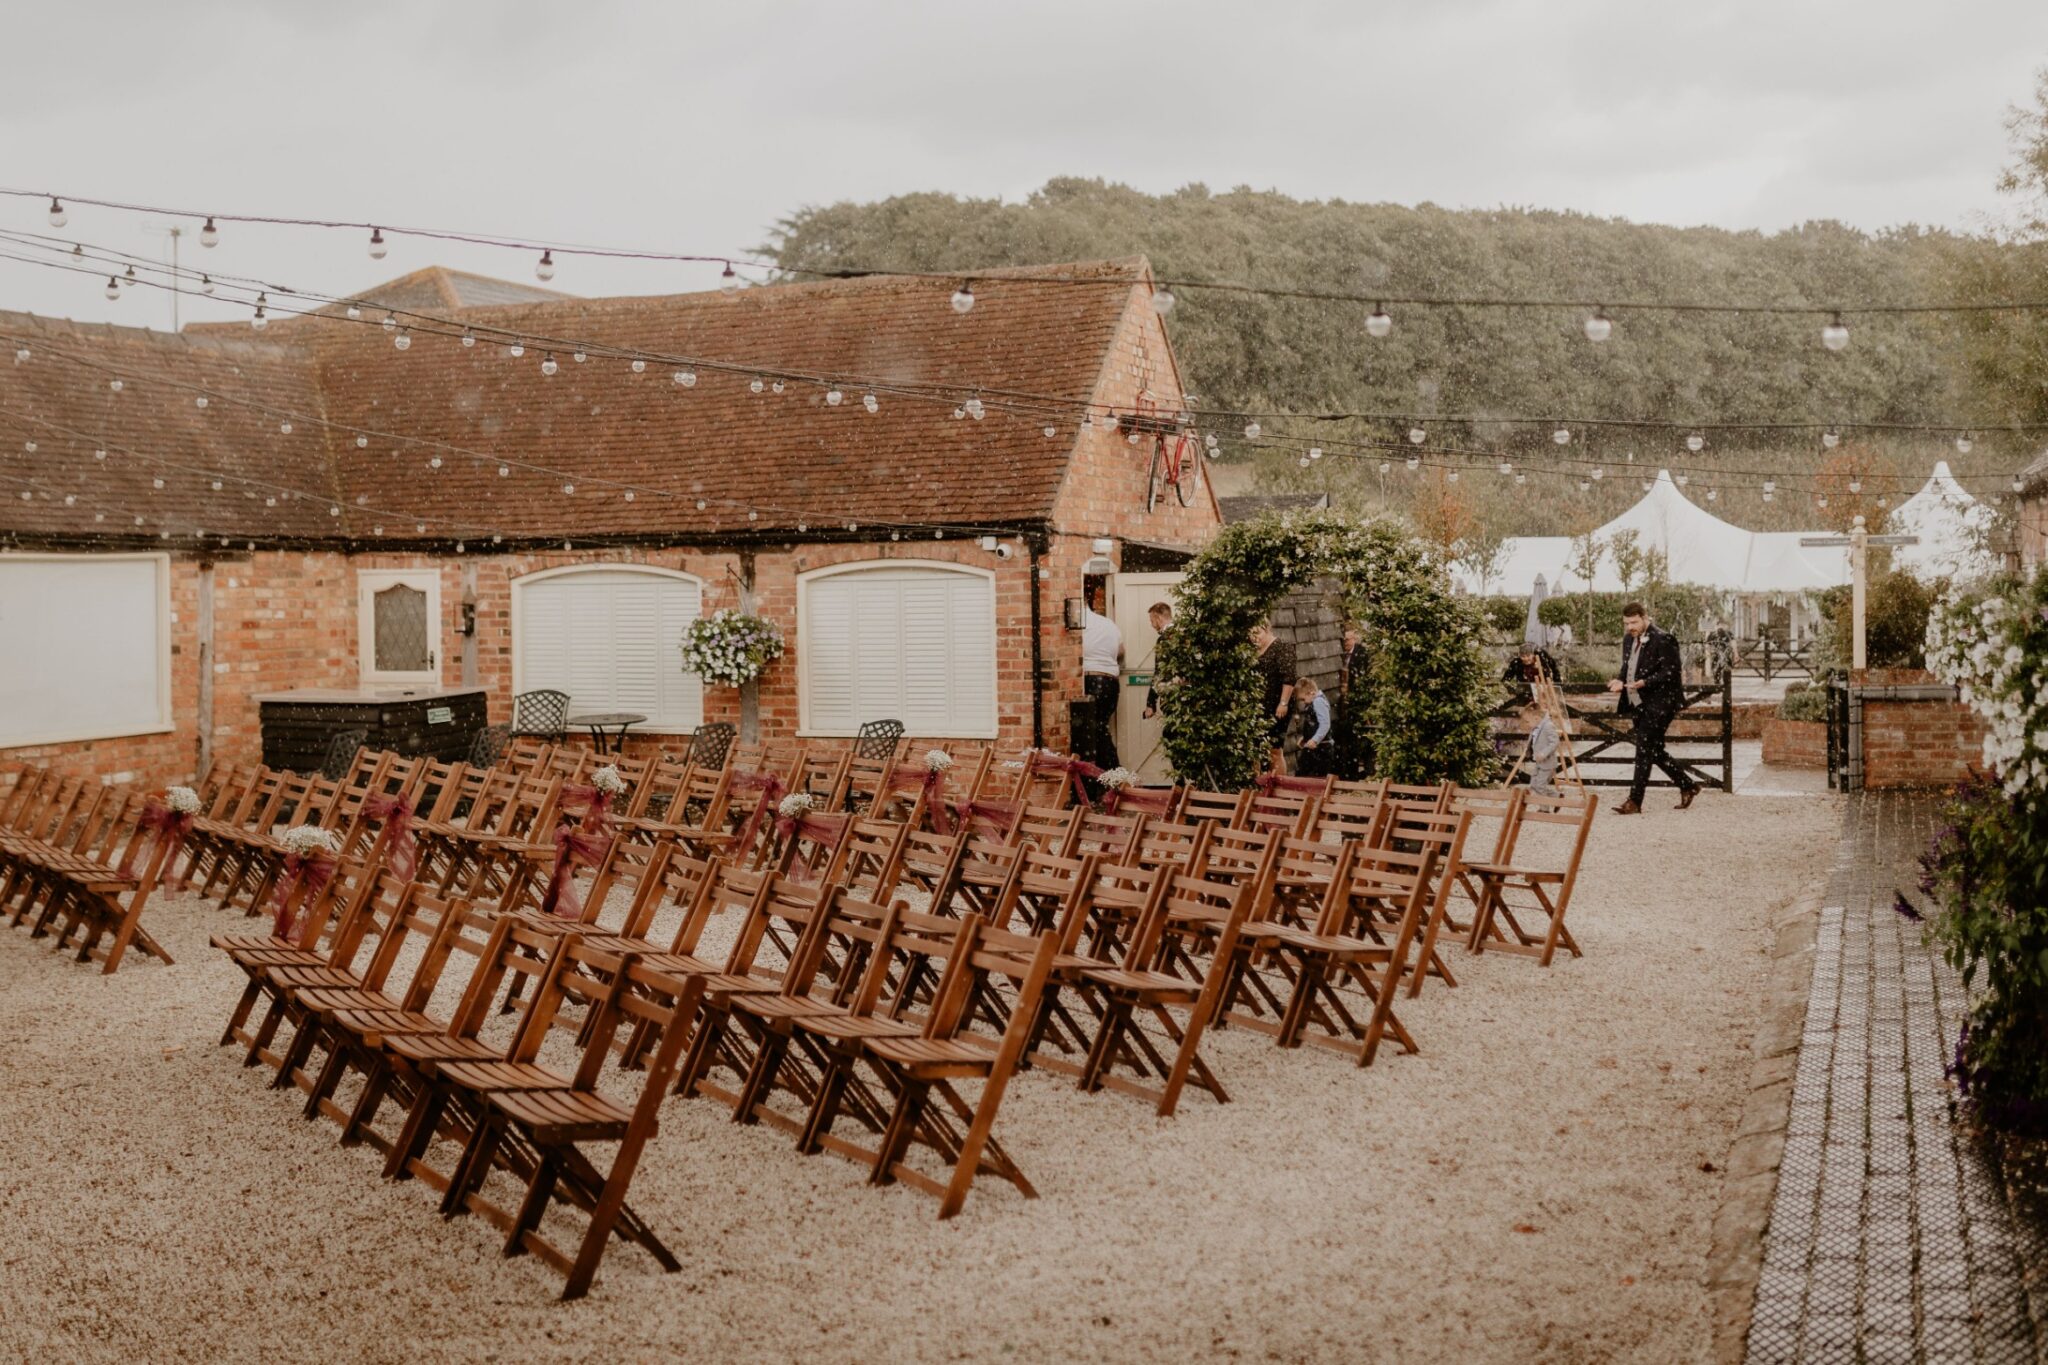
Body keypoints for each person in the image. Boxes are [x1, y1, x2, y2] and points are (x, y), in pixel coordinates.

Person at [1607, 601, 1698, 814]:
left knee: (1643, 749)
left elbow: (1671, 672)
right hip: (1637, 702)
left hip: (1661, 703)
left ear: (1645, 618)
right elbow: (1627, 665)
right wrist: (1620, 681)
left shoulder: (1664, 638)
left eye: (1634, 622)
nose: (1630, 627)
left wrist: (1645, 682)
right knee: (1653, 750)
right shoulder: (1628, 639)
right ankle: (1687, 785)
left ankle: (1634, 801)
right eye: (1627, 623)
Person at [1081, 585, 1123, 770]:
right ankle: (1106, 774)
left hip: (1092, 679)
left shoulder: (1079, 622)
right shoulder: (1108, 623)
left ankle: (1113, 773)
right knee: (1100, 727)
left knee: (1092, 730)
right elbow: (1121, 651)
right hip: (1111, 682)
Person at [1250, 620, 1296, 775]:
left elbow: (1289, 678)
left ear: (1267, 629)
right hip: (1258, 706)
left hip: (1277, 704)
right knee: (1254, 750)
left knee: (1274, 750)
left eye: (1257, 633)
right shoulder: (1252, 650)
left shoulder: (1282, 647)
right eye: (1251, 634)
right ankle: (1257, 787)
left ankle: (1279, 787)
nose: (1254, 638)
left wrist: (1283, 702)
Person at [1294, 676, 1334, 777]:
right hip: (1312, 746)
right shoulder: (1313, 701)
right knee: (1302, 771)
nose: (1304, 702)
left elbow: (1325, 724)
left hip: (1321, 747)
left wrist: (1315, 740)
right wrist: (1305, 737)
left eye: (1303, 699)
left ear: (1311, 693)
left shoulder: (1318, 701)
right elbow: (1312, 724)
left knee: (1315, 776)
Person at [1520, 697, 1559, 796]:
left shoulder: (1548, 726)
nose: (1527, 724)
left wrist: (1543, 753)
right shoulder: (1536, 727)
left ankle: (1544, 810)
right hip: (1539, 762)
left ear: (1536, 718)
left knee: (1540, 786)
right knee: (1533, 785)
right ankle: (1557, 796)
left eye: (1527, 721)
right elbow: (1534, 740)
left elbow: (1554, 742)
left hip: (1548, 764)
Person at [1142, 601, 1174, 719]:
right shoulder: (1183, 634)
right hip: (1187, 695)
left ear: (1159, 618)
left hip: (1171, 695)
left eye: (1152, 620)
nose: (1152, 625)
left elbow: (1160, 672)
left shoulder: (1164, 640)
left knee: (1170, 734)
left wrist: (1151, 703)